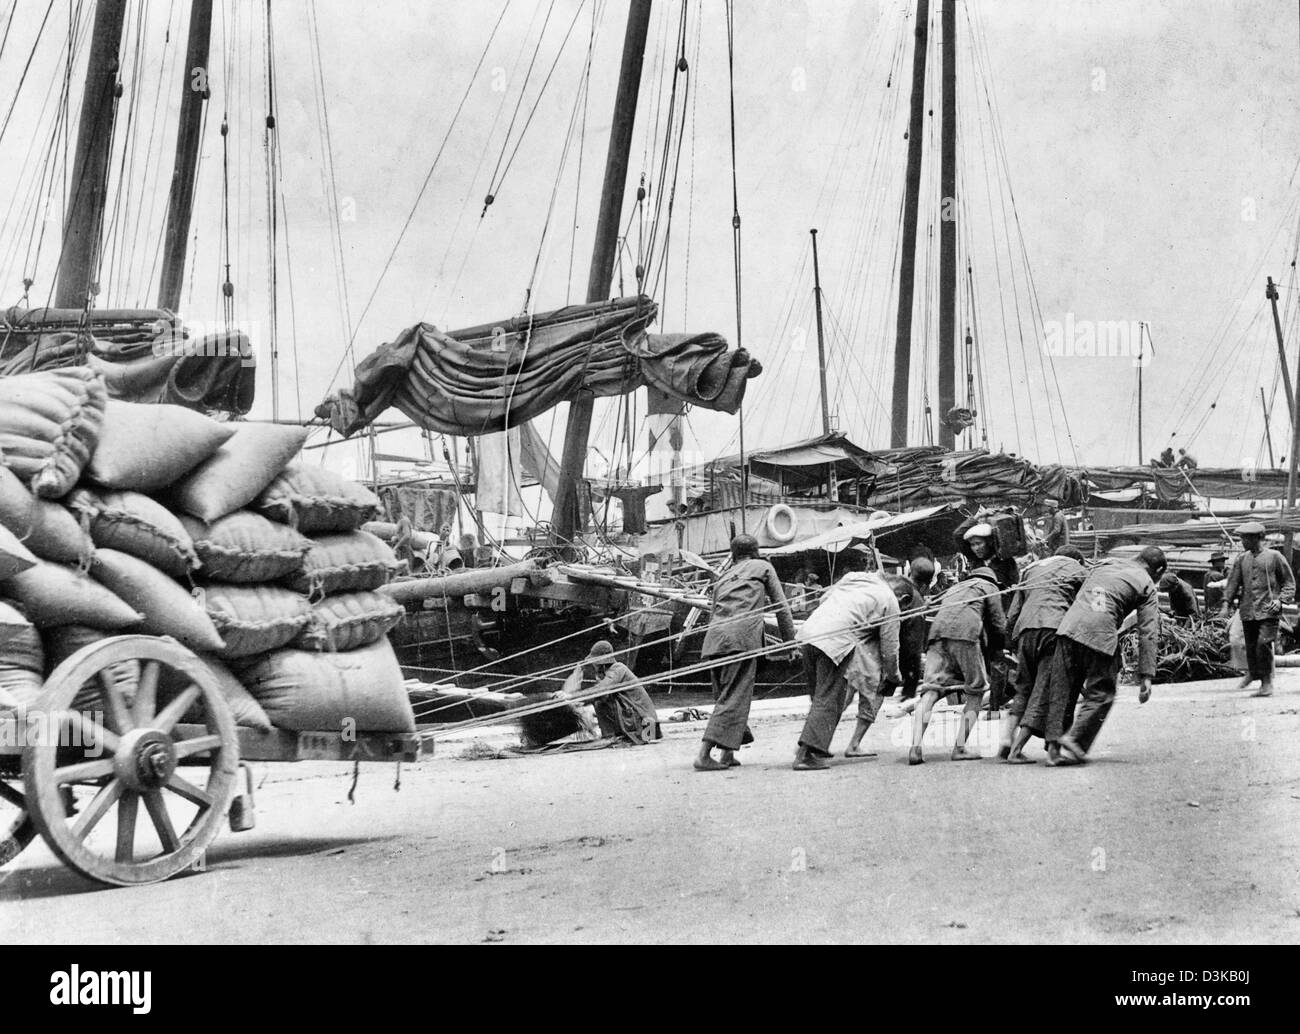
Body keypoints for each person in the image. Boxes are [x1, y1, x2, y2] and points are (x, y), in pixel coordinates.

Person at [1048, 547, 1165, 765]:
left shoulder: (1104, 564)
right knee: (1102, 692)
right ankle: (1075, 741)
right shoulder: (1147, 584)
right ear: (1157, 570)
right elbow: (1148, 631)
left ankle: (1054, 748)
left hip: (1069, 627)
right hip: (1101, 633)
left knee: (1063, 690)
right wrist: (1146, 675)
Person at [792, 548, 902, 770]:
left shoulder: (851, 579)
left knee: (819, 697)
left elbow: (824, 598)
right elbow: (890, 648)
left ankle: (810, 747)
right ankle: (805, 756)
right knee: (829, 698)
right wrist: (894, 675)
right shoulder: (889, 599)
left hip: (808, 633)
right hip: (835, 641)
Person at [695, 534, 797, 771]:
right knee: (734, 697)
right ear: (755, 551)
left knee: (727, 695)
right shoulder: (763, 567)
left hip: (714, 640)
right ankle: (703, 755)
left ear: (734, 554)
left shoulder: (722, 577)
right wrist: (790, 644)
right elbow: (782, 607)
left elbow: (713, 613)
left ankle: (727, 753)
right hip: (741, 639)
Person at [908, 563, 1006, 765]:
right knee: (976, 691)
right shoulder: (990, 587)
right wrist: (1000, 649)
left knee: (931, 690)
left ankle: (915, 748)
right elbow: (998, 624)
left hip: (936, 635)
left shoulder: (956, 588)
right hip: (965, 635)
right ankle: (959, 748)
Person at [1004, 546, 1087, 763]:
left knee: (1024, 688)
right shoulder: (1077, 568)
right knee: (1050, 690)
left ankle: (1007, 740)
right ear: (1077, 560)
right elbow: (1085, 608)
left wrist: (1011, 642)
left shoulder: (1031, 570)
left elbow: (1013, 613)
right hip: (1053, 631)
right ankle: (1021, 751)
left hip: (1025, 632)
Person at [1219, 522, 1295, 697]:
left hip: (1269, 610)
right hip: (1248, 610)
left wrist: (1281, 601)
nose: (1243, 542)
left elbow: (1289, 583)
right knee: (1251, 646)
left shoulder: (1274, 557)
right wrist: (1226, 604)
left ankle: (1266, 682)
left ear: (1258, 538)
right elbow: (1233, 583)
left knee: (1263, 644)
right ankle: (1253, 673)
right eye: (1242, 538)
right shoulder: (1241, 559)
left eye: (1246, 538)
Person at [566, 640, 662, 745]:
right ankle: (612, 734)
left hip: (647, 726)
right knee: (600, 699)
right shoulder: (609, 672)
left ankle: (610, 736)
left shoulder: (618, 668)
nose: (593, 664)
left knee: (601, 702)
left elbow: (601, 690)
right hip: (647, 725)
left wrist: (572, 697)